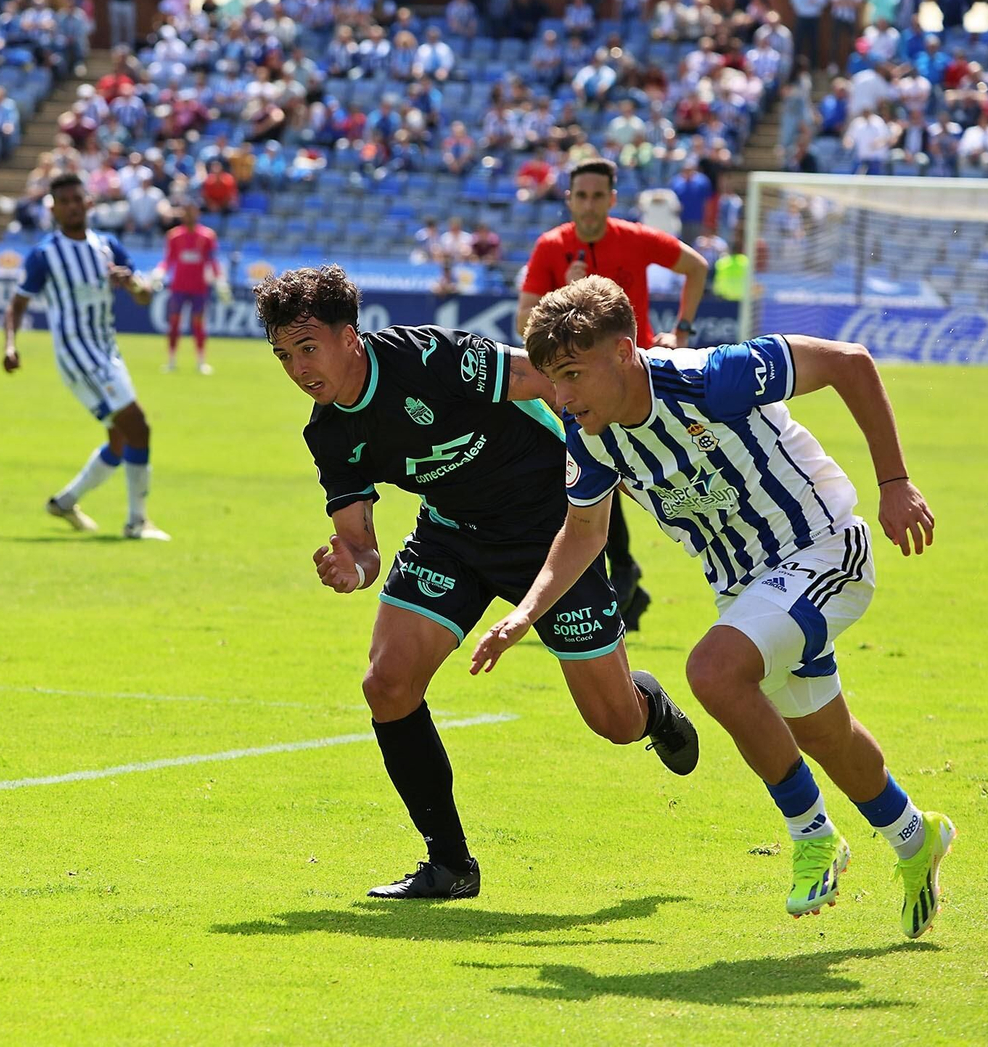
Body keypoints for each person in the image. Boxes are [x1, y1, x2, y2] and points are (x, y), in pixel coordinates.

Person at [478, 276, 953, 937]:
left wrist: (895, 482)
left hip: (822, 549)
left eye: (572, 374)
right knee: (823, 735)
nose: (561, 395)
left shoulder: (713, 378)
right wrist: (526, 612)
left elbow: (851, 362)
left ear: (623, 352)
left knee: (712, 670)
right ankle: (915, 837)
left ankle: (812, 834)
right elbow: (584, 532)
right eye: (553, 378)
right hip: (748, 591)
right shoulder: (590, 436)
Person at [257, 265, 698, 901]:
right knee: (387, 684)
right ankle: (449, 865)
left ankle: (648, 705)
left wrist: (598, 463)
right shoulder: (329, 431)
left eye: (307, 348)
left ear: (349, 336)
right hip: (452, 537)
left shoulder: (428, 357)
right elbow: (360, 546)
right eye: (284, 356)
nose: (298, 369)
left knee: (614, 724)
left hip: (549, 532)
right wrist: (350, 567)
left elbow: (548, 379)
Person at [518, 158, 709, 632]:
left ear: (612, 199)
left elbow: (697, 267)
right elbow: (524, 319)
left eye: (597, 196)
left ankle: (625, 580)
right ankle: (622, 580)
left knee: (625, 477)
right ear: (569, 199)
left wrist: (680, 330)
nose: (588, 206)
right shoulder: (552, 247)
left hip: (637, 387)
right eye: (580, 196)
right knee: (594, 476)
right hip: (578, 387)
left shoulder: (635, 238)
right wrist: (565, 296)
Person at [3, 175, 169, 542]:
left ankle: (65, 502)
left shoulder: (108, 246)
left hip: (107, 350)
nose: (72, 206)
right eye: (63, 201)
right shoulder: (46, 254)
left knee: (122, 439)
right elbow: (17, 303)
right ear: (54, 208)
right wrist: (11, 344)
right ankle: (137, 522)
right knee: (139, 426)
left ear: (89, 202)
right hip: (78, 355)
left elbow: (144, 296)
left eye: (77, 199)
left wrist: (132, 284)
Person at [157, 201, 225, 375]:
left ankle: (201, 361)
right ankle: (171, 360)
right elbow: (168, 260)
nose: (189, 215)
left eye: (192, 211)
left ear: (197, 213)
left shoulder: (207, 236)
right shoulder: (174, 236)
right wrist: (159, 272)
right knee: (174, 324)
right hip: (178, 287)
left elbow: (212, 260)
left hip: (199, 288)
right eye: (186, 212)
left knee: (199, 325)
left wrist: (220, 280)